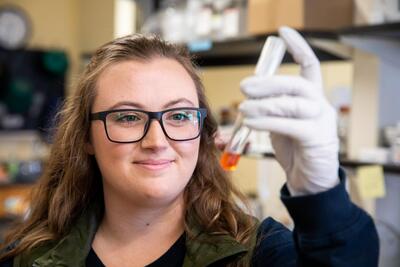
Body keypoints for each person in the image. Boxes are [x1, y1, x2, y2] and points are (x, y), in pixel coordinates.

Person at [0, 27, 378, 267]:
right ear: (86, 138)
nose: (157, 141)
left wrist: (321, 195)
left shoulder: (258, 252)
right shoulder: (27, 257)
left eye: (179, 116)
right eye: (128, 117)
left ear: (203, 132)